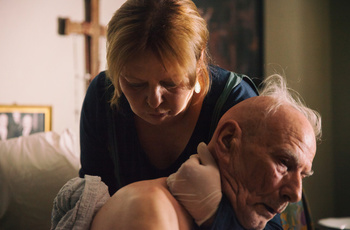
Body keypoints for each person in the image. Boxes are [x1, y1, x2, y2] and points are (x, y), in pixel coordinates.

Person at [79, 0, 260, 225]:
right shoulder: (102, 96)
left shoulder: (236, 104)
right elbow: (88, 206)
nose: (154, 101)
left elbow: (272, 223)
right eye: (135, 83)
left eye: (171, 83)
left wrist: (214, 213)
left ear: (199, 60)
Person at [89, 74, 321, 230]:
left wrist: (216, 215)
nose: (296, 195)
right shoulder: (150, 209)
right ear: (228, 140)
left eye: (302, 174)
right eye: (283, 163)